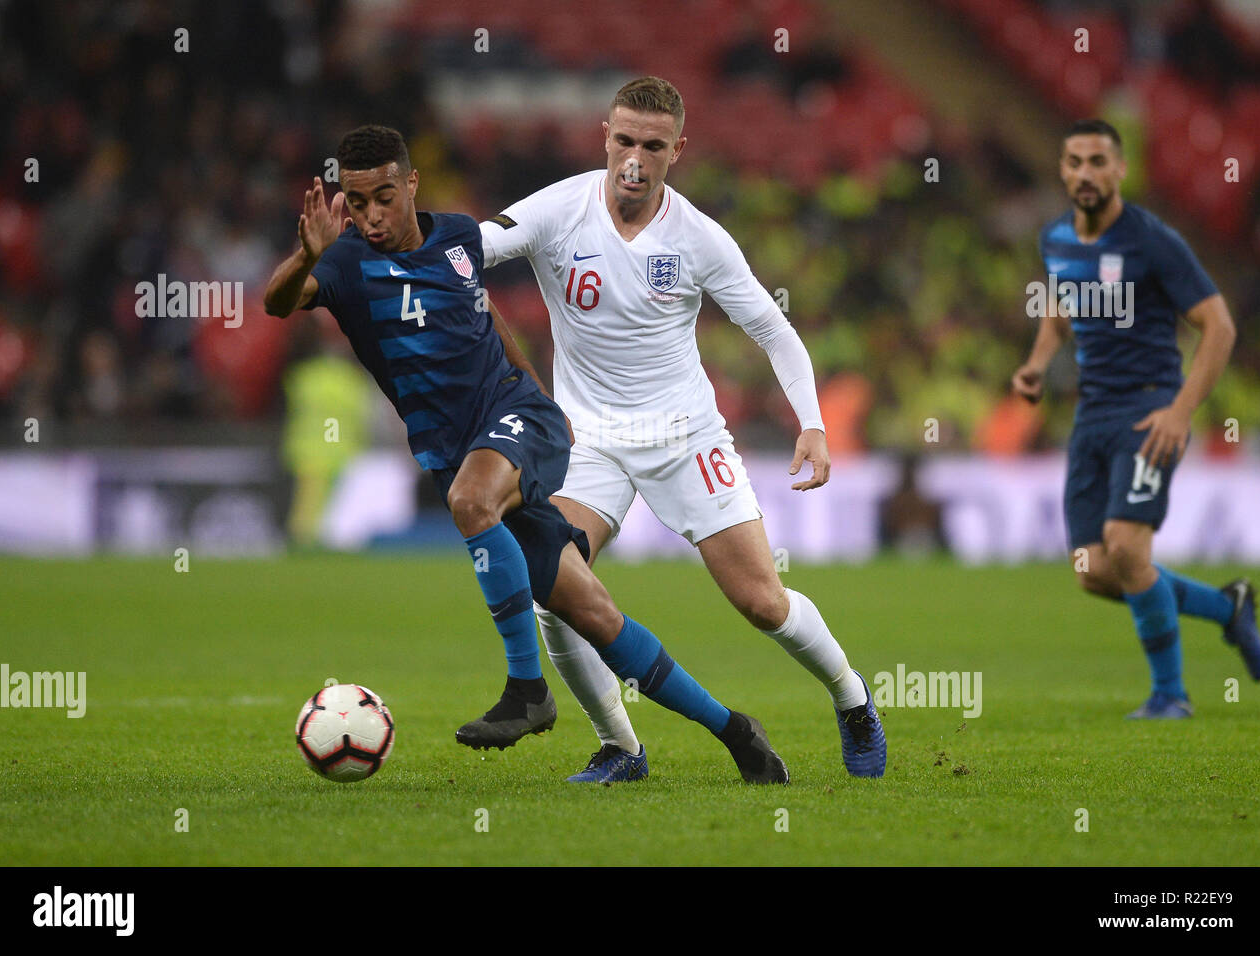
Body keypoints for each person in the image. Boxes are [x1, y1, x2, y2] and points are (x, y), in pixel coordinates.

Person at [263, 125, 788, 783]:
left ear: (411, 185)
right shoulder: (340, 264)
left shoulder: (457, 236)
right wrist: (305, 257)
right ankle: (736, 731)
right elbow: (275, 303)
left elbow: (485, 317)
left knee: (469, 502)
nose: (372, 215)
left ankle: (527, 691)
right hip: (460, 451)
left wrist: (540, 398)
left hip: (519, 423)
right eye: (359, 201)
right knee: (592, 612)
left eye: (384, 197)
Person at [479, 77, 886, 782]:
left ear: (678, 150)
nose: (635, 159)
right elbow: (471, 251)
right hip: (587, 440)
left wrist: (813, 426)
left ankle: (851, 698)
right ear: (605, 133)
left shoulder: (698, 239)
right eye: (625, 141)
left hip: (685, 436)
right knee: (557, 589)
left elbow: (774, 332)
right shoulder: (558, 209)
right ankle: (621, 747)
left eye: (653, 146)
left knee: (762, 602)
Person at [1011, 119, 1260, 718]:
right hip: (1092, 413)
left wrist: (1181, 412)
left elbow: (1219, 327)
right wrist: (1036, 364)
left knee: (1128, 550)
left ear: (1120, 169)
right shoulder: (1056, 239)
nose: (1085, 173)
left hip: (1149, 409)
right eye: (1074, 161)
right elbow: (1058, 307)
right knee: (1094, 570)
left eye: (1098, 161)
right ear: (1062, 169)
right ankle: (1228, 608)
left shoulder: (1153, 242)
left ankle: (1170, 695)